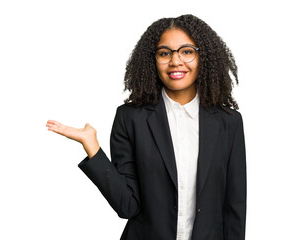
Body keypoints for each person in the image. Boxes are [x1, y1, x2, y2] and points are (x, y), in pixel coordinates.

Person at [46, 14, 246, 240]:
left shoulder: (228, 122)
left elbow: (234, 206)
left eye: (187, 51)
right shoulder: (130, 118)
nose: (175, 61)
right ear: (152, 60)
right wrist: (92, 147)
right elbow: (127, 207)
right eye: (164, 53)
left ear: (204, 57)